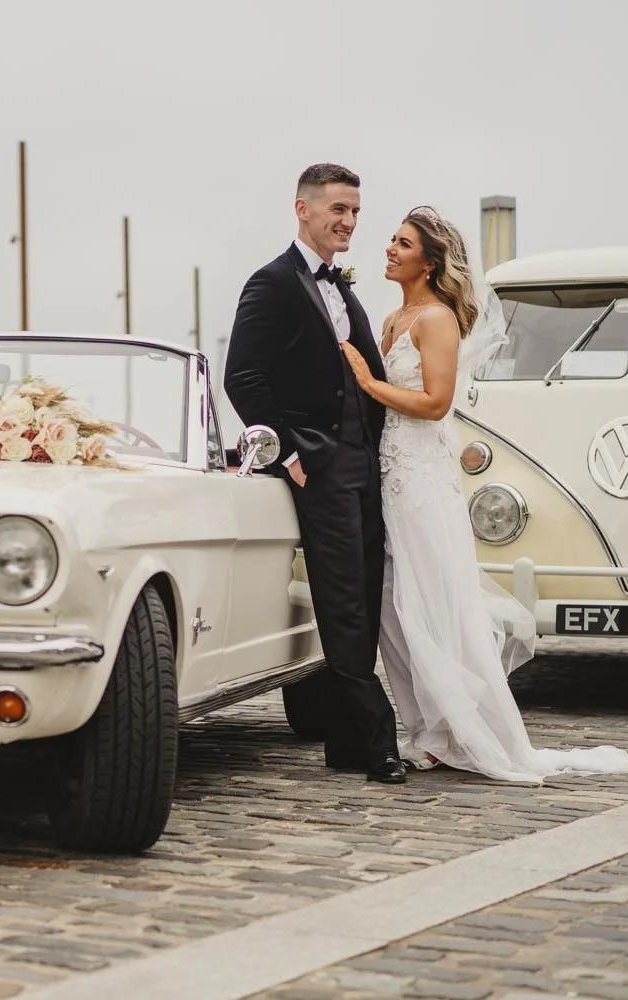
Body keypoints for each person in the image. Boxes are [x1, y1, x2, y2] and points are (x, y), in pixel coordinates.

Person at [340, 206, 628, 782]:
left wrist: (369, 383)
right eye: (392, 241)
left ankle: (455, 730)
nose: (390, 250)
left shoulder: (437, 319)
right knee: (393, 609)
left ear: (429, 261)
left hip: (421, 479)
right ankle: (426, 728)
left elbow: (435, 403)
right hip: (387, 474)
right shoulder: (394, 317)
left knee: (431, 601)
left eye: (403, 244)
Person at [224, 163, 407, 784]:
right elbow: (242, 376)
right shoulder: (271, 283)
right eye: (338, 209)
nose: (349, 221)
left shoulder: (344, 287)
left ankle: (344, 743)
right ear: (302, 209)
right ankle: (379, 738)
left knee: (365, 590)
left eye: (355, 211)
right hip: (318, 468)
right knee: (342, 603)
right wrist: (291, 456)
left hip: (366, 464)